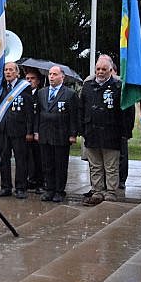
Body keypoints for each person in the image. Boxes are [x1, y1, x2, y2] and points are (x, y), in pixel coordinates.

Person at [80, 55, 134, 205]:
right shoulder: (88, 86)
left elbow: (127, 112)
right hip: (92, 132)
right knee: (95, 166)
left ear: (111, 70)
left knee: (111, 166)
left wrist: (125, 133)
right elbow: (81, 108)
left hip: (112, 133)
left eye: (104, 69)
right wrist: (82, 129)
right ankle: (97, 191)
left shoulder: (118, 87)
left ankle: (111, 192)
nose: (100, 72)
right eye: (98, 69)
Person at [34, 66, 79, 203]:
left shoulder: (70, 94)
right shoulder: (42, 92)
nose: (51, 77)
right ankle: (49, 189)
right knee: (47, 164)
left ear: (62, 77)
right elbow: (37, 113)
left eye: (55, 74)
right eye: (50, 74)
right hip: (45, 133)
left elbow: (74, 116)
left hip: (61, 134)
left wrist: (73, 134)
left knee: (60, 164)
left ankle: (59, 191)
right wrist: (36, 131)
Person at [0, 62, 34, 199]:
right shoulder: (0, 87)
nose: (7, 72)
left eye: (11, 70)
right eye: (5, 70)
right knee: (4, 159)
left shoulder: (24, 87)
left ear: (17, 73)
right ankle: (5, 187)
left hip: (19, 130)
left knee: (20, 159)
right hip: (3, 129)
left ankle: (21, 188)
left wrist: (29, 131)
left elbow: (29, 111)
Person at [24, 69, 44, 193]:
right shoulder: (23, 93)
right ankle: (30, 179)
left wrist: (35, 131)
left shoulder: (41, 95)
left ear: (38, 81)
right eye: (27, 78)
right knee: (26, 158)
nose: (30, 81)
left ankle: (39, 181)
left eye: (32, 78)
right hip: (24, 131)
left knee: (38, 158)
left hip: (37, 131)